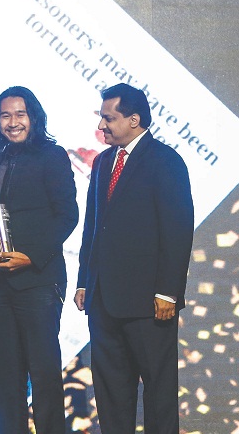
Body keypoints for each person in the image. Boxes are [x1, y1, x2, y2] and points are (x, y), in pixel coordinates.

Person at [74, 83, 194, 434]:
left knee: (158, 394)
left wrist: (168, 292)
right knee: (111, 395)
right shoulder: (102, 163)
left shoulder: (166, 161)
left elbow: (177, 230)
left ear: (134, 119)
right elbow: (93, 226)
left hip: (149, 304)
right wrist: (84, 281)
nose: (102, 127)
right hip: (103, 301)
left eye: (109, 119)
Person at [0, 86, 78, 434]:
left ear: (33, 117)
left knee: (44, 375)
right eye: (5, 115)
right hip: (4, 283)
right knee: (6, 380)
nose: (13, 122)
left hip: (40, 279)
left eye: (20, 114)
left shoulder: (52, 156)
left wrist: (31, 257)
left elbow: (68, 215)